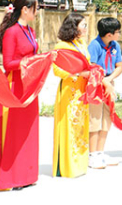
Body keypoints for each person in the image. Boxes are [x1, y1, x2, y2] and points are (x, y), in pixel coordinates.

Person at [0, 0, 41, 190]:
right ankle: (8, 177)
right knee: (12, 132)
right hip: (14, 88)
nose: (38, 10)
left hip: (29, 86)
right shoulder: (12, 32)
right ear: (25, 9)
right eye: (35, 7)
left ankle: (25, 174)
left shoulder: (31, 31)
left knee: (27, 131)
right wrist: (30, 62)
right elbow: (8, 64)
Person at [52, 13, 91, 178]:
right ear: (74, 27)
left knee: (80, 126)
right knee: (69, 124)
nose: (86, 28)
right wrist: (76, 74)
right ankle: (67, 166)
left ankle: (80, 164)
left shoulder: (81, 44)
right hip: (69, 90)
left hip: (82, 90)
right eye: (84, 25)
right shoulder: (61, 46)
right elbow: (56, 69)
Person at [87, 17, 122, 169]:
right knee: (95, 118)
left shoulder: (115, 46)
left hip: (109, 82)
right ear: (109, 34)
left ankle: (100, 152)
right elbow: (92, 67)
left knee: (106, 119)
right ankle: (92, 154)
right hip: (96, 84)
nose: (119, 35)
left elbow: (119, 66)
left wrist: (110, 79)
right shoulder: (94, 45)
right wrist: (104, 81)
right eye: (117, 32)